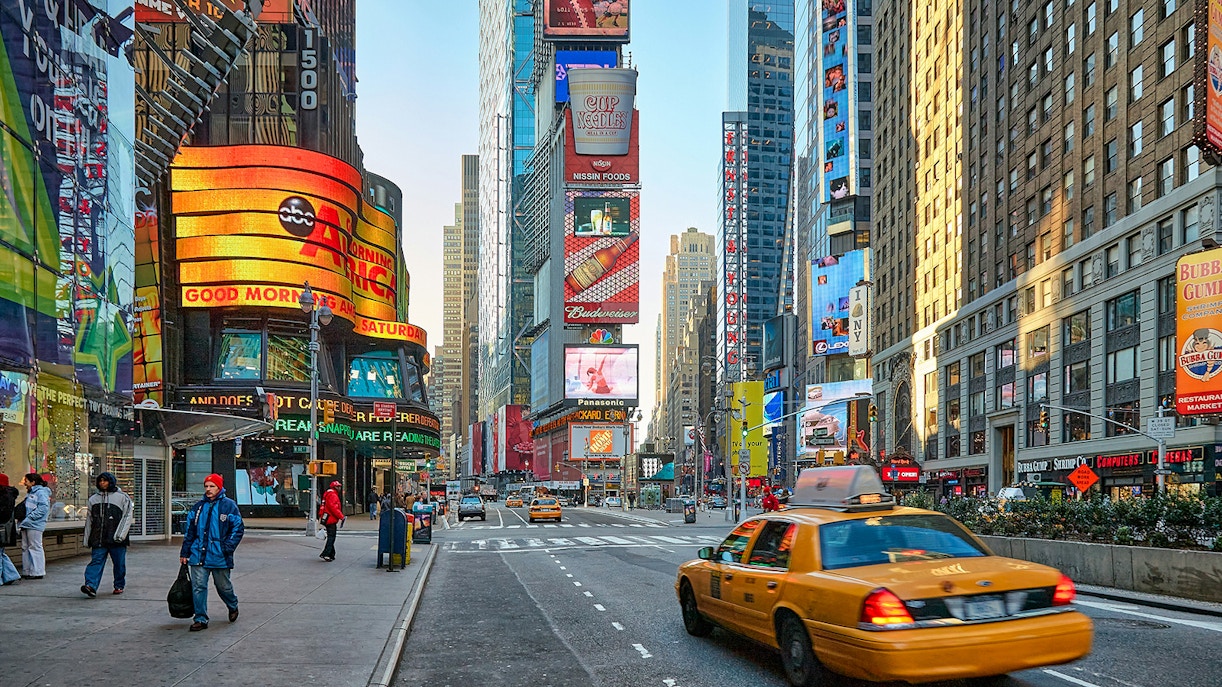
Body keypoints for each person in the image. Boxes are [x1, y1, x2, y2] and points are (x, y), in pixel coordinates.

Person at [179, 474, 244, 632]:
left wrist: (227, 548)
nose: (208, 489)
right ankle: (200, 618)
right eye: (206, 486)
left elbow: (238, 528)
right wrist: (185, 552)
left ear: (219, 487)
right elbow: (190, 532)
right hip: (198, 554)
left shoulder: (229, 506)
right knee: (198, 586)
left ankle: (232, 604)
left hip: (219, 554)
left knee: (223, 586)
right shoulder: (198, 507)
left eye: (212, 486)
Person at [81, 472, 134, 597]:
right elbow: (89, 520)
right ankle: (90, 585)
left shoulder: (122, 497)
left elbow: (127, 517)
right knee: (96, 561)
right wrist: (87, 538)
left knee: (119, 563)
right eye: (100, 481)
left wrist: (120, 535)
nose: (102, 483)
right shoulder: (93, 499)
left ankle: (119, 584)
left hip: (116, 538)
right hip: (99, 538)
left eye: (105, 481)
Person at [18, 473, 50, 580]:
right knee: (26, 547)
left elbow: (43, 508)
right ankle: (28, 571)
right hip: (27, 523)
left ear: (33, 482)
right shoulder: (32, 493)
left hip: (34, 524)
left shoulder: (40, 493)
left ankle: (37, 571)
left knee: (35, 546)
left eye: (26, 481)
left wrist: (30, 518)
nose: (25, 483)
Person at [0, 474, 20, 585]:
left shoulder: (4, 497)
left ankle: (9, 575)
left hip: (2, 528)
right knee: (1, 553)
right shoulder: (8, 496)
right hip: (5, 529)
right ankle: (11, 574)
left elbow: (2, 513)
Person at [318, 480, 345, 562]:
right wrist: (341, 516)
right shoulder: (333, 495)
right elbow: (333, 508)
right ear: (334, 487)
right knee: (331, 537)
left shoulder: (327, 494)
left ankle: (331, 554)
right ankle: (326, 553)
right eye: (338, 486)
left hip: (326, 517)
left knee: (331, 536)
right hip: (331, 519)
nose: (339, 488)